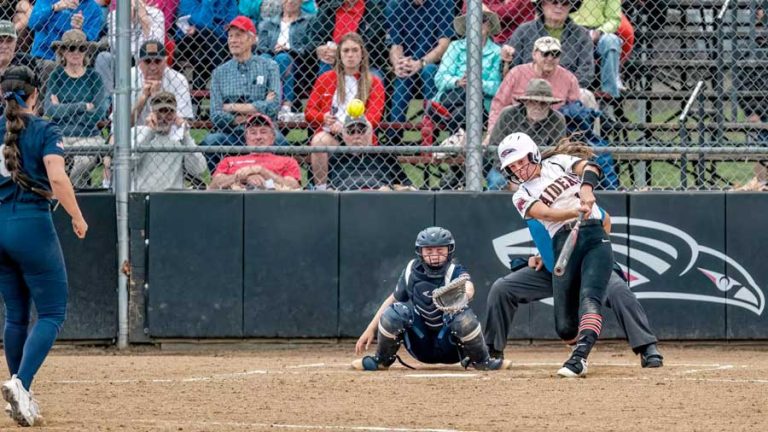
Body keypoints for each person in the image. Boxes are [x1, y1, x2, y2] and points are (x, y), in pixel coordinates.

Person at [0, 65, 88, 427]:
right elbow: (56, 175)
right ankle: (21, 384)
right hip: (31, 224)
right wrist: (77, 216)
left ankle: (19, 394)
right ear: (35, 94)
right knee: (52, 312)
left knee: (15, 315)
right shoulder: (44, 128)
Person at [483, 208, 664, 368]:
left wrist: (596, 255)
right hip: (554, 270)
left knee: (618, 291)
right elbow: (546, 235)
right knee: (503, 288)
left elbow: (605, 219)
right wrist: (540, 255)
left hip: (589, 268)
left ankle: (647, 347)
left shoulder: (566, 199)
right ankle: (492, 352)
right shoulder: (528, 202)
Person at [498, 132, 610, 377]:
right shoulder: (521, 195)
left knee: (590, 298)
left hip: (593, 235)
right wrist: (572, 210)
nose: (518, 169)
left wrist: (587, 189)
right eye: (512, 166)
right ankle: (577, 344)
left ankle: (579, 358)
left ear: (534, 154)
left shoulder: (557, 162)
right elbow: (547, 214)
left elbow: (589, 166)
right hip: (563, 243)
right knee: (565, 327)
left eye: (521, 161)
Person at [353, 227, 512, 371]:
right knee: (395, 312)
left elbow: (468, 285)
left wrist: (464, 296)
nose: (434, 255)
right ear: (420, 251)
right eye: (428, 250)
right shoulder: (410, 270)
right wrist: (370, 329)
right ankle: (381, 361)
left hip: (451, 346)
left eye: (440, 250)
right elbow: (392, 299)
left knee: (461, 314)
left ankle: (482, 362)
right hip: (420, 344)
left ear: (449, 250)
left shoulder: (454, 270)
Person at [200, 15, 283, 172]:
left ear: (251, 39)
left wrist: (232, 106)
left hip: (263, 130)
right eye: (230, 36)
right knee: (210, 141)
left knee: (281, 142)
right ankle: (221, 184)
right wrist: (255, 109)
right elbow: (216, 114)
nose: (233, 40)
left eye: (239, 35)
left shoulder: (270, 66)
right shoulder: (219, 72)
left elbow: (273, 106)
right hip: (231, 132)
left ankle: (276, 188)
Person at [304, 32, 384, 189]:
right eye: (346, 51)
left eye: (355, 50)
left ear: (362, 53)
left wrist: (348, 127)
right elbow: (309, 112)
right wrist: (324, 118)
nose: (350, 55)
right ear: (339, 55)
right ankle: (322, 189)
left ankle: (366, 184)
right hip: (332, 135)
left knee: (367, 130)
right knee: (318, 141)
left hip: (360, 133)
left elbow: (374, 117)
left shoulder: (373, 82)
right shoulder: (325, 79)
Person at [45, 29, 108, 188]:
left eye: (81, 48)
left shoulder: (94, 77)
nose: (76, 53)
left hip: (88, 135)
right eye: (71, 48)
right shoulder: (56, 76)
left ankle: (69, 190)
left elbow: (99, 112)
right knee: (51, 159)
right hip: (60, 135)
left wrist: (63, 109)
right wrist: (82, 106)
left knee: (84, 161)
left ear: (86, 51)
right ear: (63, 52)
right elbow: (50, 110)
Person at [488, 36, 579, 134]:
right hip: (518, 128)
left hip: (553, 129)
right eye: (545, 54)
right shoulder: (517, 73)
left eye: (555, 54)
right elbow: (499, 104)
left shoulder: (569, 78)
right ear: (534, 54)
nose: (550, 58)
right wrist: (491, 132)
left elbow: (575, 110)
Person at [504, 0, 593, 89]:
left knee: (585, 95)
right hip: (528, 89)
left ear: (571, 6)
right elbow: (513, 67)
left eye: (565, 3)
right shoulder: (524, 30)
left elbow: (586, 70)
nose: (559, 6)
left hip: (567, 89)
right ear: (542, 4)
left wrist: (564, 87)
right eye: (554, 2)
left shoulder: (581, 34)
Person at [132, 91, 206, 192]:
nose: (163, 117)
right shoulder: (138, 132)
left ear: (175, 114)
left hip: (172, 197)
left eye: (168, 112)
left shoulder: (179, 138)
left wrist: (186, 136)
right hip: (143, 195)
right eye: (160, 111)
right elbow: (129, 164)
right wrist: (149, 132)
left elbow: (199, 168)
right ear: (152, 113)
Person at [208, 113, 301, 190]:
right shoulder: (229, 160)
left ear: (272, 137)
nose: (258, 137)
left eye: (263, 132)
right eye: (253, 133)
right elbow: (213, 186)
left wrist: (262, 171)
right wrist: (242, 177)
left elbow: (294, 186)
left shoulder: (287, 161)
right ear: (246, 138)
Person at [257, 0, 315, 114]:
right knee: (264, 58)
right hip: (271, 57)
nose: (290, 1)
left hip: (297, 62)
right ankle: (261, 101)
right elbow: (261, 48)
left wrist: (290, 50)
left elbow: (311, 46)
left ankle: (286, 105)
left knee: (283, 58)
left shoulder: (309, 20)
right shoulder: (268, 22)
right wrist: (274, 50)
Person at [488, 79, 566, 148]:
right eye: (533, 102)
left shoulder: (557, 120)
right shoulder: (508, 114)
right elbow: (494, 147)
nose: (538, 107)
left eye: (543, 103)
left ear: (550, 104)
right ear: (525, 102)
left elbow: (557, 154)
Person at [570, 0, 623, 98]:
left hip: (598, 30)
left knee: (611, 41)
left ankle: (610, 92)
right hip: (571, 30)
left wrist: (600, 31)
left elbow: (614, 19)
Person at [329, 115, 397, 191]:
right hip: (347, 197)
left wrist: (390, 189)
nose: (357, 136)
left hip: (378, 196)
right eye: (351, 131)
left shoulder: (384, 154)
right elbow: (329, 189)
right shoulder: (337, 157)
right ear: (344, 135)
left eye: (361, 131)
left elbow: (406, 186)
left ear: (369, 133)